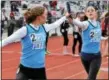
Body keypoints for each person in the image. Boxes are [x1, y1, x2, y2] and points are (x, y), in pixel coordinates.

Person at [1, 6, 70, 80]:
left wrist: (65, 17)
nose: (47, 17)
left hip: (40, 69)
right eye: (45, 14)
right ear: (39, 17)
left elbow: (56, 24)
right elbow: (6, 41)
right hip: (25, 69)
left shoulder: (44, 27)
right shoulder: (25, 30)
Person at [68, 6, 102, 80]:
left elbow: (98, 37)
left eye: (92, 10)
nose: (90, 12)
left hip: (96, 56)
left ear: (95, 12)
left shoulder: (99, 24)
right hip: (85, 56)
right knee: (92, 77)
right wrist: (71, 19)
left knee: (91, 77)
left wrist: (106, 38)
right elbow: (78, 23)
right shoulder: (85, 24)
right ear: (86, 14)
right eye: (88, 11)